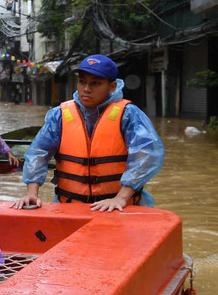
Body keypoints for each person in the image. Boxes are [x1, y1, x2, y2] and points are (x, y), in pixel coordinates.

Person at [11, 54, 164, 212]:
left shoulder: (128, 115)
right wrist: (31, 193)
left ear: (112, 87)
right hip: (70, 207)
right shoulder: (60, 116)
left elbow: (147, 156)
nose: (86, 89)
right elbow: (38, 153)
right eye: (82, 81)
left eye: (95, 83)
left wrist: (121, 198)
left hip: (118, 207)